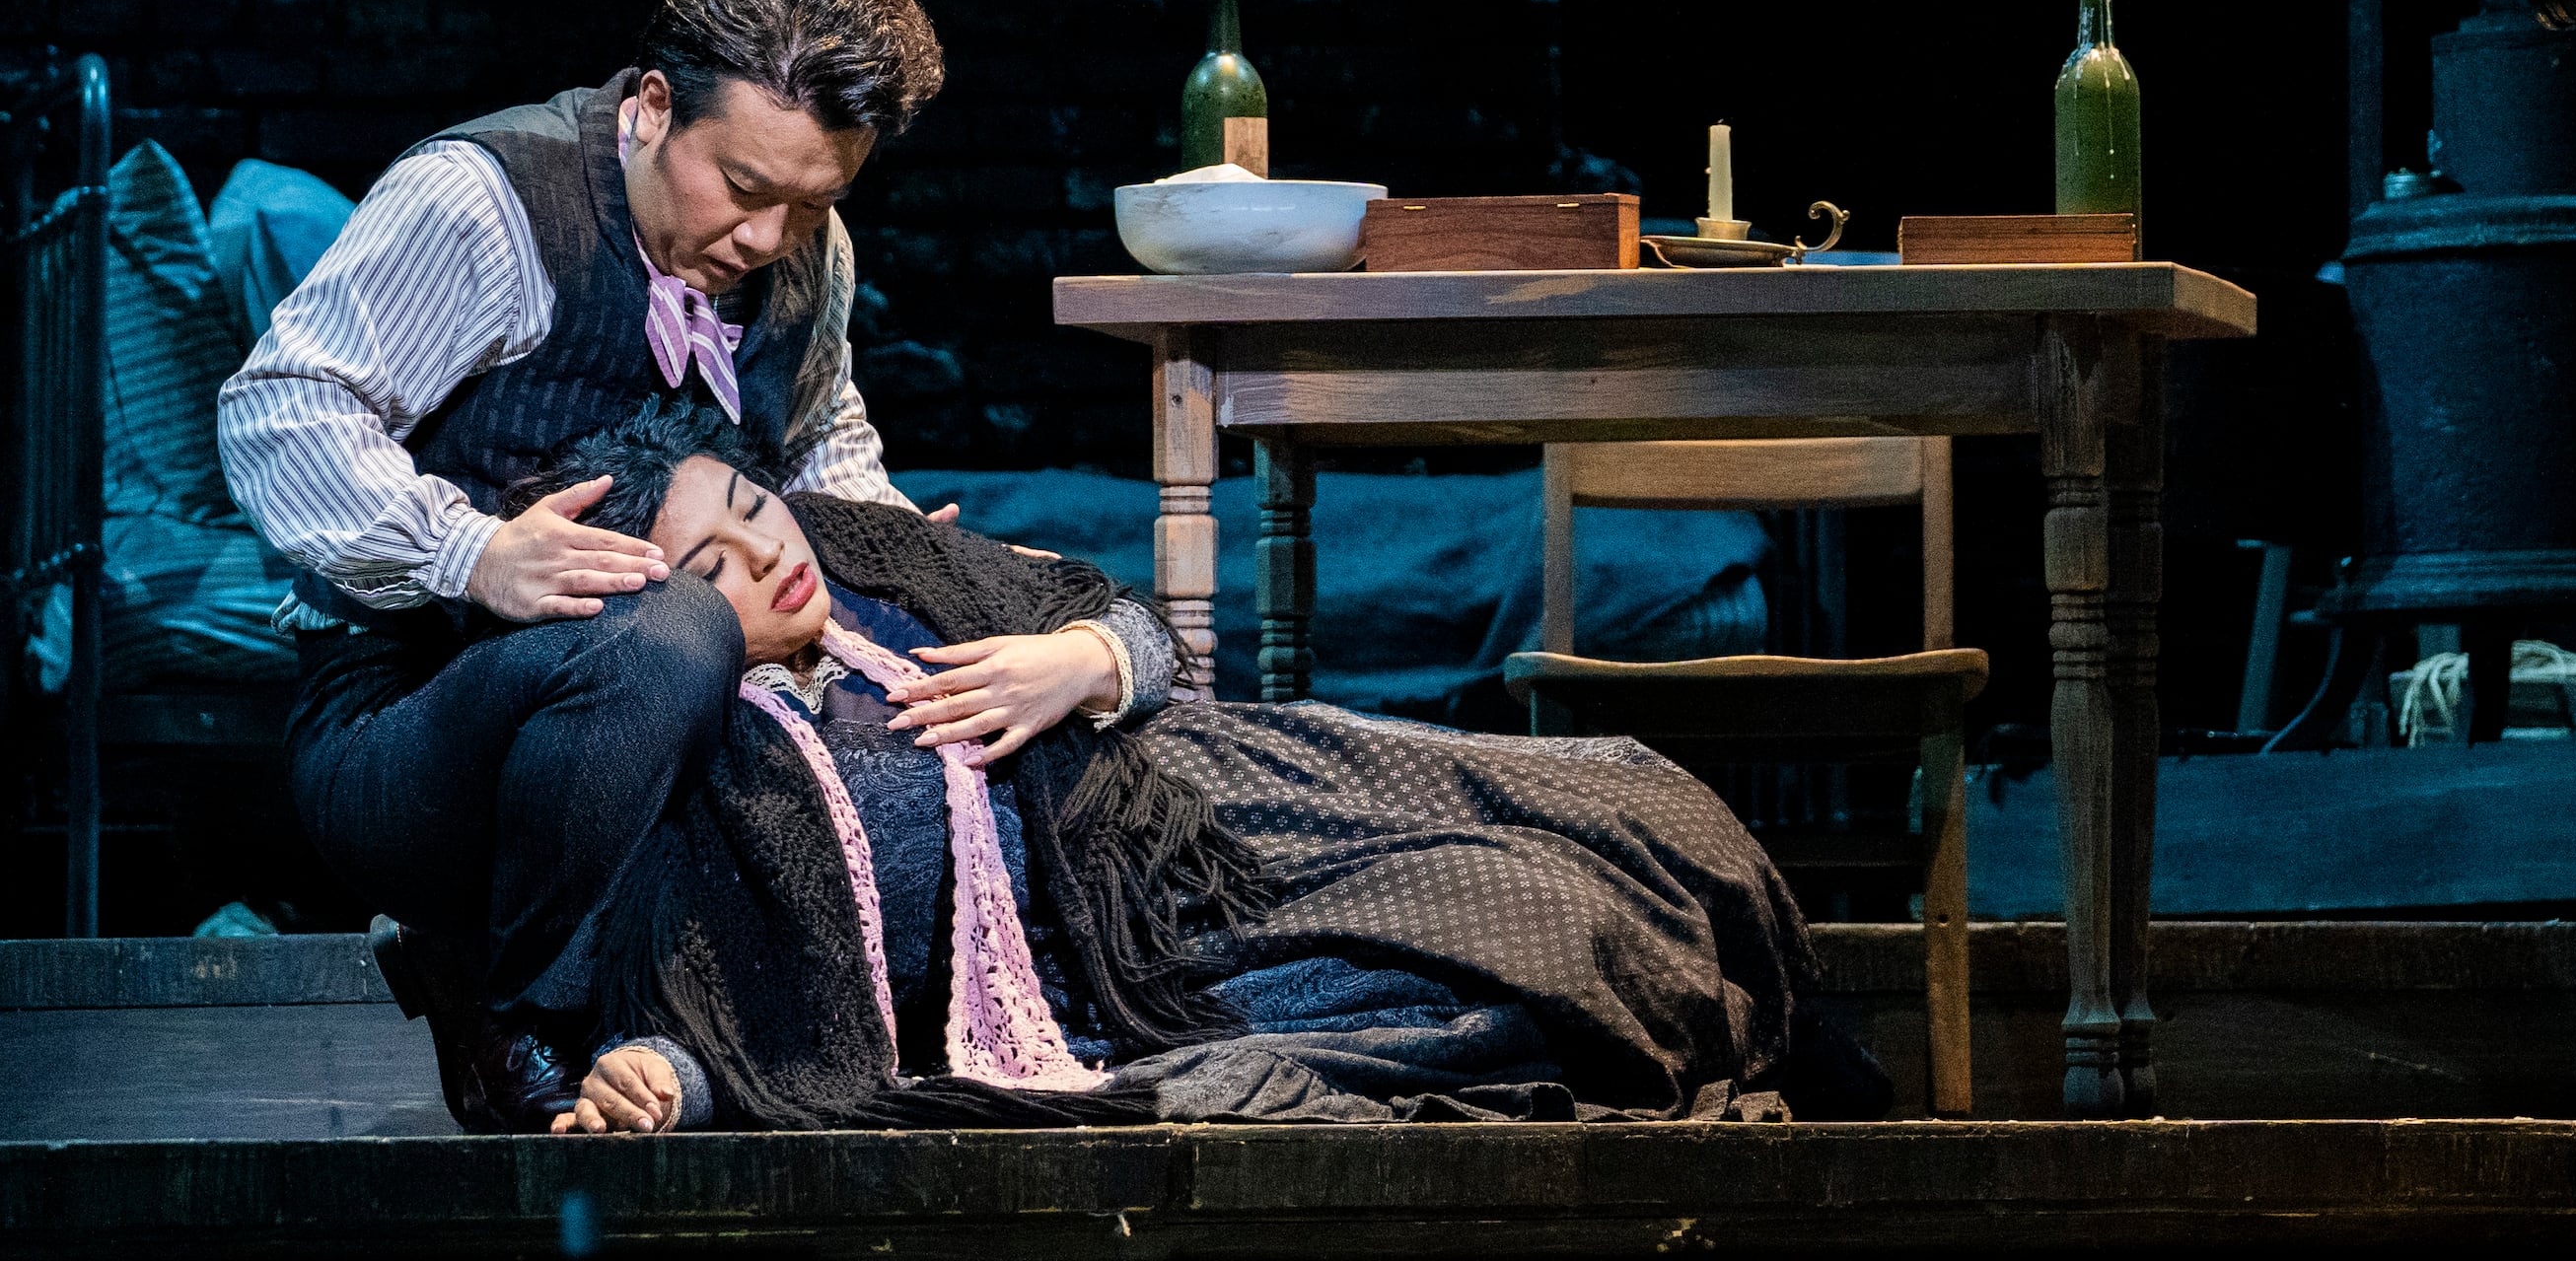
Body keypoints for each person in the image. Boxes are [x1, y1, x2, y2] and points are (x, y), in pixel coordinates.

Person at [214, 0, 1039, 1131]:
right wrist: (472, 552)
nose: (768, 238)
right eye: (743, 188)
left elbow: (827, 458)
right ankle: (517, 1005)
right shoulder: (491, 203)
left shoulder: (803, 254)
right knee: (670, 635)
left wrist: (917, 564)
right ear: (653, 107)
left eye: (815, 201)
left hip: (666, 736)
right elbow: (281, 407)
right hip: (412, 723)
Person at [486, 402, 1840, 1134]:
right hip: (1144, 955)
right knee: (1545, 927)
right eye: (715, 567)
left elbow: (1130, 623)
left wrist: (1074, 661)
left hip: (1213, 790)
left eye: (753, 508)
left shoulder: (870, 556)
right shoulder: (720, 763)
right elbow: (727, 987)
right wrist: (661, 1076)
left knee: (1615, 791)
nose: (770, 555)